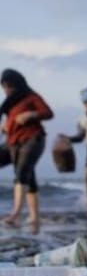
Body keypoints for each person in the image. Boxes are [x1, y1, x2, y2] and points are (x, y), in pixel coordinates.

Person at [0, 69, 53, 233]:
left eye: (9, 86)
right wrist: (5, 126)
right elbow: (11, 120)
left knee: (22, 172)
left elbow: (48, 113)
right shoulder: (9, 103)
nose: (6, 90)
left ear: (16, 84)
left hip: (32, 140)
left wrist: (31, 114)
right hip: (12, 143)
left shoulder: (31, 97)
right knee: (29, 178)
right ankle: (34, 218)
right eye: (4, 86)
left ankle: (15, 215)